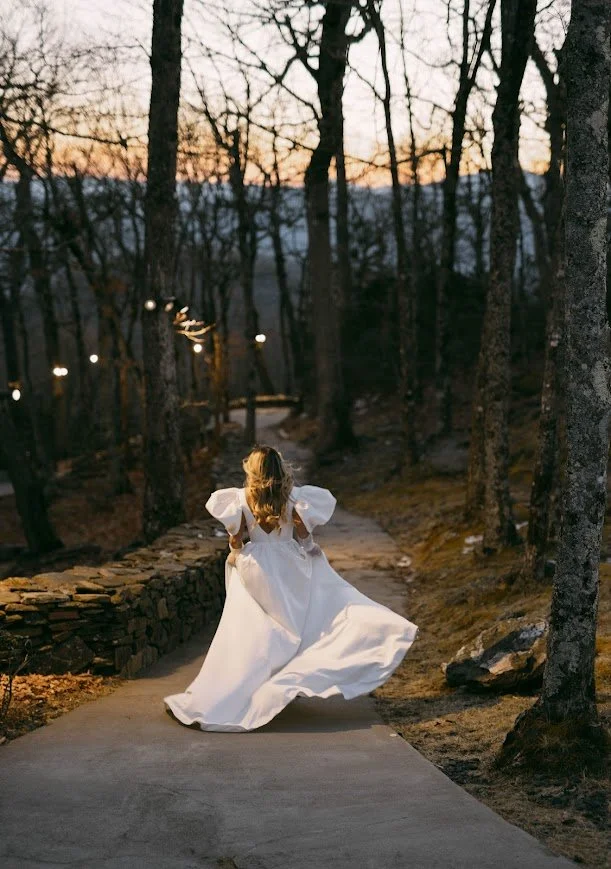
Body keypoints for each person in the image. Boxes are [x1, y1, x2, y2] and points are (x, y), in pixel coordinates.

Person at [163, 444, 419, 732]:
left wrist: (236, 554)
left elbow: (236, 542)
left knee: (254, 629)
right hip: (290, 565)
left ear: (253, 470)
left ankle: (238, 690)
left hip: (255, 566)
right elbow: (305, 540)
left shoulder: (238, 500)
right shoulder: (295, 499)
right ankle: (283, 682)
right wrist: (313, 553)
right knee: (301, 624)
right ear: (280, 469)